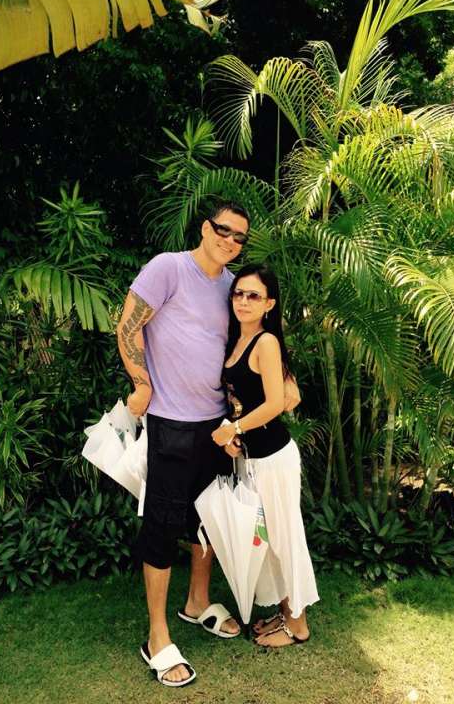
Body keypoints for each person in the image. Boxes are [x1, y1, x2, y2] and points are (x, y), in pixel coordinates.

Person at [116, 204, 300, 687]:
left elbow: (256, 338)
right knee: (162, 524)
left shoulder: (234, 288)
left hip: (217, 427)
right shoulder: (168, 268)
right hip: (171, 422)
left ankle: (197, 602)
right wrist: (141, 383)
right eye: (223, 231)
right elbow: (128, 326)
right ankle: (158, 637)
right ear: (205, 228)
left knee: (209, 520)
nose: (230, 241)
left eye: (240, 237)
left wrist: (285, 381)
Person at [211, 263, 319, 647]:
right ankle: (285, 611)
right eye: (238, 293)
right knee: (267, 539)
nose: (243, 301)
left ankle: (298, 625)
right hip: (251, 458)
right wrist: (233, 433)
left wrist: (234, 429)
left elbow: (275, 404)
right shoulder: (236, 340)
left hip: (274, 457)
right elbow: (244, 399)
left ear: (269, 303)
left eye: (253, 295)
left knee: (285, 536)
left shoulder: (266, 342)